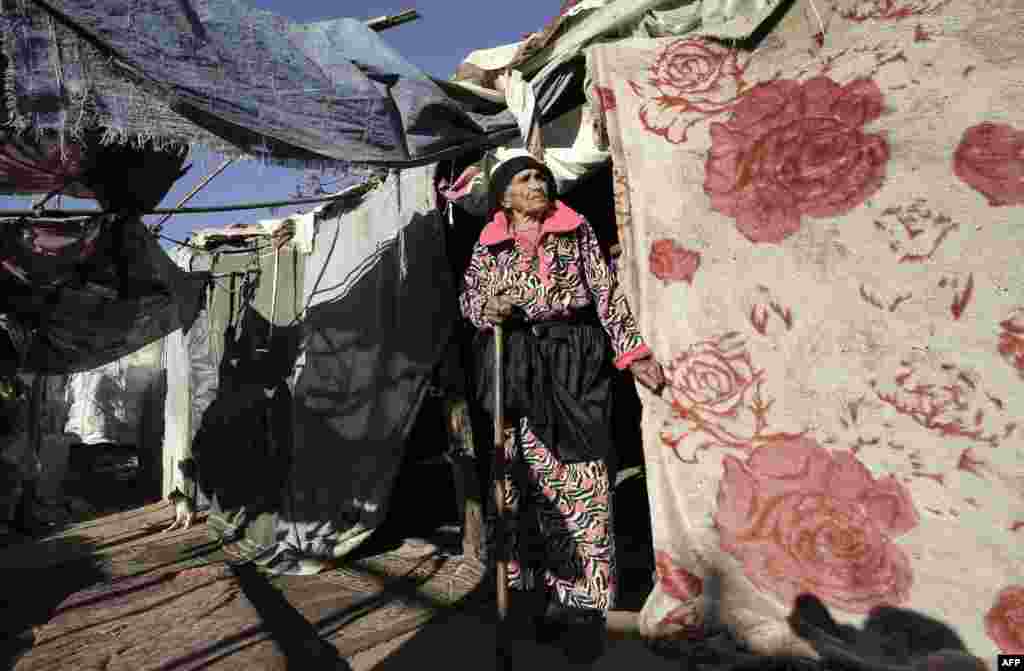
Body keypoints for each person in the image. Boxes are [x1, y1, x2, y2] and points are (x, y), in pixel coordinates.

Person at [459, 151, 665, 663]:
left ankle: (586, 607)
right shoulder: (489, 245)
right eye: (525, 178)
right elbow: (469, 302)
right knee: (522, 480)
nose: (538, 184)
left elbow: (605, 292)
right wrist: (488, 308)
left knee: (584, 478)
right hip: (518, 365)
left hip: (573, 361)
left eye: (542, 176)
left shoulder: (576, 230)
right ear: (505, 195)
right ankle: (537, 595)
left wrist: (632, 351)